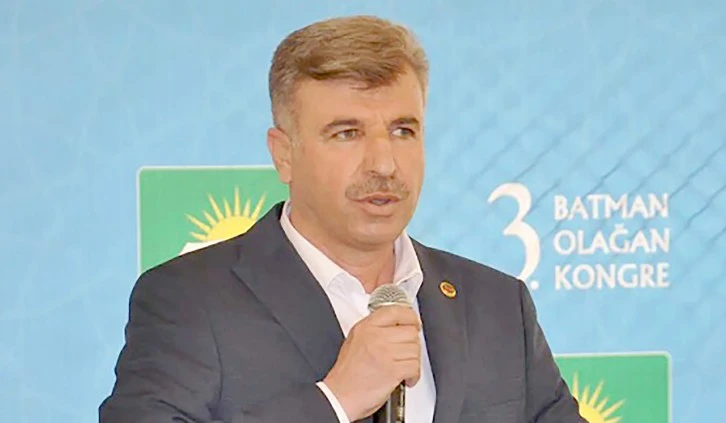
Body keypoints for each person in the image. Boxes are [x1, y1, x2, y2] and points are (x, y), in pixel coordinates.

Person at [99, 15, 585, 423]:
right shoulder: (191, 302)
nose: (384, 164)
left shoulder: (497, 306)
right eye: (347, 133)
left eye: (403, 130)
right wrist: (334, 401)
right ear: (284, 155)